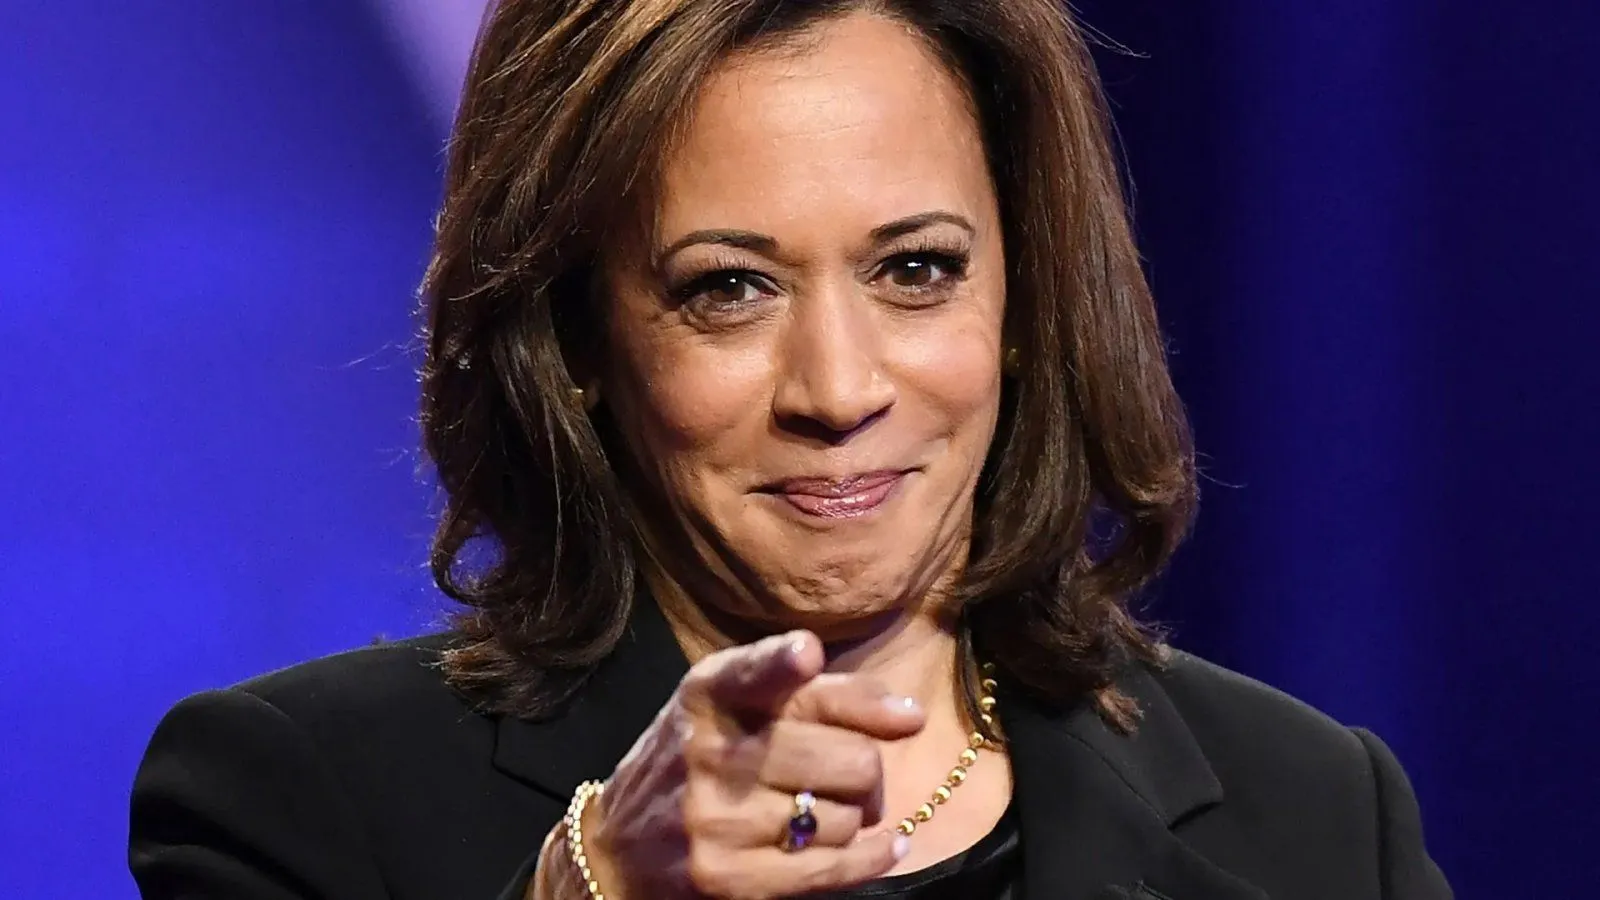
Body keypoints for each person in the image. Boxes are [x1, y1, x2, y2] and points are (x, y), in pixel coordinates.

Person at [128, 1, 1454, 898]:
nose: (838, 389)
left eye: (916, 270)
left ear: (1022, 299)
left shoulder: (1318, 817)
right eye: (729, 289)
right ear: (574, 336)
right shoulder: (298, 801)